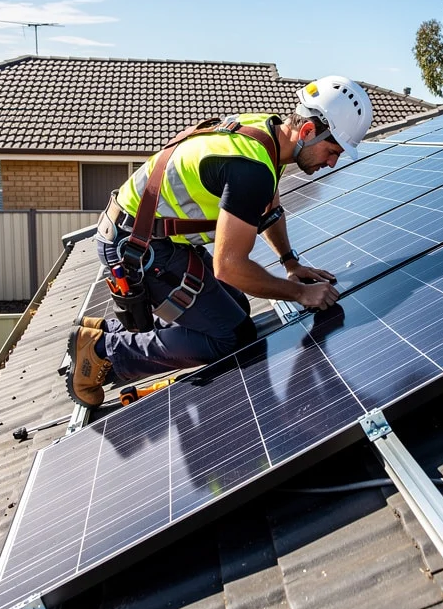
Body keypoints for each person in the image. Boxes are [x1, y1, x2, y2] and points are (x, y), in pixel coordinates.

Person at [67, 75, 374, 407]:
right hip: (137, 248)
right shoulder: (252, 168)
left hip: (151, 236)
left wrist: (291, 263)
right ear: (308, 132)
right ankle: (103, 354)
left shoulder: (267, 134)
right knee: (231, 337)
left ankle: (106, 331)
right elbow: (229, 267)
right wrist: (301, 294)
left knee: (238, 308)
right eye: (332, 151)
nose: (332, 162)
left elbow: (270, 210)